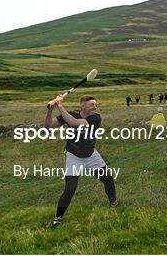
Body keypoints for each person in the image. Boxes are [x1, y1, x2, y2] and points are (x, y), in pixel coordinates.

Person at [44, 95, 118, 228]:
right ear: (82, 105)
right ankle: (57, 219)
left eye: (95, 104)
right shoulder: (71, 114)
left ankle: (113, 202)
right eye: (91, 105)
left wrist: (60, 105)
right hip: (73, 157)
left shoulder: (95, 118)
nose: (95, 107)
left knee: (107, 179)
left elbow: (74, 123)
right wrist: (50, 109)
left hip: (91, 156)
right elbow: (49, 126)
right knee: (70, 189)